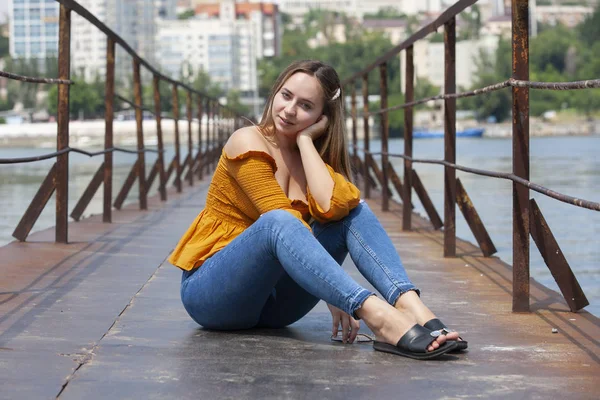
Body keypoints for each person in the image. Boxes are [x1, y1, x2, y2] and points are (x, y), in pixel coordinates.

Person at [169, 60, 466, 360]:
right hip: (213, 296)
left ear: (321, 117)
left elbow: (332, 207)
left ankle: (411, 306)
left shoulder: (310, 160)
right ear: (274, 93)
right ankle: (379, 316)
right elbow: (282, 224)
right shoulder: (246, 140)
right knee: (278, 221)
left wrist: (306, 142)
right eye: (286, 96)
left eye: (306, 105)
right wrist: (334, 290)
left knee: (353, 211)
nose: (289, 110)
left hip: (275, 308)